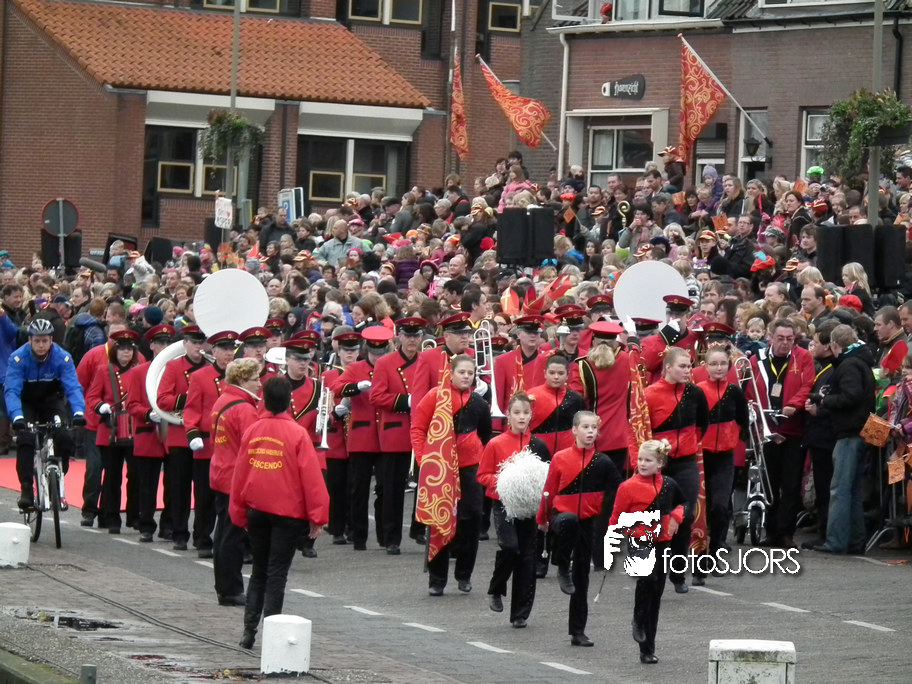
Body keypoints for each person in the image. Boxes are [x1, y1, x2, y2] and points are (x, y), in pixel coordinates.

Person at [230, 377, 329, 651]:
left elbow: (240, 473)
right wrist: (318, 517)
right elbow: (311, 478)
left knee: (259, 572)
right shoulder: (297, 434)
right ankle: (272, 635)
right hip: (288, 514)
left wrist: (238, 511)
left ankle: (248, 631)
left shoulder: (253, 430)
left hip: (257, 511)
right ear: (288, 402)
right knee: (277, 575)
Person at [536, 411, 621, 648]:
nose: (590, 431)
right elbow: (549, 491)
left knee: (582, 578)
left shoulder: (603, 462)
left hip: (587, 522)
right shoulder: (561, 458)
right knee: (569, 520)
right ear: (574, 430)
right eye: (585, 427)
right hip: (561, 517)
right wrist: (542, 519)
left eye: (594, 427)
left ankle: (578, 631)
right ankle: (562, 564)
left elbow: (620, 491)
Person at [411, 354, 492, 595]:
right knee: (439, 520)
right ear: (451, 373)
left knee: (472, 518)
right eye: (461, 372)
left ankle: (464, 575)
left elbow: (485, 434)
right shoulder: (434, 396)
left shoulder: (479, 403)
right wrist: (424, 460)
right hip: (440, 466)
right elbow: (418, 428)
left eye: (470, 373)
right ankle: (437, 579)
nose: (466, 376)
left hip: (471, 467)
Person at [476, 392, 550, 628]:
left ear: (531, 416)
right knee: (510, 548)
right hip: (504, 503)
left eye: (526, 413)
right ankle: (496, 588)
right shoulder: (495, 443)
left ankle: (520, 613)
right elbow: (482, 475)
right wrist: (506, 482)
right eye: (516, 413)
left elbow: (546, 479)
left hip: (529, 507)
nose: (521, 417)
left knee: (527, 558)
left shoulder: (538, 445)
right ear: (508, 415)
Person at [609, 439, 685, 665]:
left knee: (656, 593)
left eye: (648, 460)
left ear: (660, 463)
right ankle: (637, 618)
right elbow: (616, 516)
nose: (642, 463)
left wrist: (676, 517)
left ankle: (647, 648)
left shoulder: (670, 484)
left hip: (662, 543)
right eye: (640, 459)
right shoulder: (627, 487)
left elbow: (682, 503)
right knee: (648, 579)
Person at [644, 347, 708, 593]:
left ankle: (678, 572)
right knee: (657, 516)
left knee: (686, 515)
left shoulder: (695, 393)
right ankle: (652, 567)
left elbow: (702, 424)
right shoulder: (650, 394)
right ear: (668, 367)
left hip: (687, 461)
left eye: (689, 366)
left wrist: (689, 445)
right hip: (660, 463)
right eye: (682, 366)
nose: (687, 370)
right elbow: (642, 429)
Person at [746, 319, 814, 549]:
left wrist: (794, 405)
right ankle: (771, 531)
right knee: (769, 483)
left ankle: (786, 533)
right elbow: (750, 390)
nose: (785, 343)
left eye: (789, 339)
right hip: (767, 430)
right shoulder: (757, 360)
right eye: (780, 338)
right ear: (770, 338)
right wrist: (755, 410)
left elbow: (807, 385)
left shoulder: (803, 357)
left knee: (791, 483)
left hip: (793, 429)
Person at [6, 318, 86, 509]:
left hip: (51, 401)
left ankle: (58, 477)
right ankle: (26, 488)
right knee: (26, 440)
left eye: (45, 341)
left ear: (51, 340)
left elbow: (73, 388)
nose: (41, 345)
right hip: (26, 402)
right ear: (30, 340)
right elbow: (12, 391)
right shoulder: (18, 358)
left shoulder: (63, 358)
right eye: (37, 341)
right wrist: (17, 416)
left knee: (64, 438)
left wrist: (78, 412)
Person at [811, 325, 875, 554]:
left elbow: (851, 395)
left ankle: (836, 541)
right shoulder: (861, 361)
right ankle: (855, 541)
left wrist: (825, 400)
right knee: (853, 490)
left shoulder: (849, 365)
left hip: (849, 432)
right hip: (859, 431)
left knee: (839, 489)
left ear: (835, 345)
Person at [692, 344, 748, 585]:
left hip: (725, 456)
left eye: (723, 363)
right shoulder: (697, 391)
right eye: (713, 364)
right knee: (699, 510)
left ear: (729, 366)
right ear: (705, 366)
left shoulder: (735, 392)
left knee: (720, 507)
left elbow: (743, 421)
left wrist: (734, 440)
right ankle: (698, 559)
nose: (718, 368)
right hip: (700, 457)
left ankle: (714, 555)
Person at [369, 317, 425, 556]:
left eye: (416, 335)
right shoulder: (385, 363)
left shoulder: (426, 360)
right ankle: (392, 538)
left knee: (425, 484)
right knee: (392, 489)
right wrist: (406, 401)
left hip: (423, 430)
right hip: (396, 431)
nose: (412, 340)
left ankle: (419, 528)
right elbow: (376, 396)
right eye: (408, 335)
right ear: (399, 336)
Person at [331, 327, 390, 550]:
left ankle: (384, 536)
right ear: (367, 351)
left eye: (380, 353)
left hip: (385, 436)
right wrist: (354, 387)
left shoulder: (390, 366)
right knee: (359, 489)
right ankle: (358, 536)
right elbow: (335, 387)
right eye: (373, 353)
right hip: (362, 435)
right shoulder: (356, 368)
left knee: (384, 488)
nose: (377, 357)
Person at [210, 358, 262, 607]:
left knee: (223, 534)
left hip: (221, 472)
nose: (259, 384)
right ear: (242, 380)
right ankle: (231, 589)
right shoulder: (244, 409)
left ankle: (224, 587)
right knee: (233, 536)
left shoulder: (223, 400)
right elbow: (252, 447)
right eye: (255, 379)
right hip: (235, 477)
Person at [183, 330, 239, 558]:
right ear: (213, 351)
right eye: (224, 349)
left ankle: (228, 541)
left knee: (229, 497)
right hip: (207, 446)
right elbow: (191, 408)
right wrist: (193, 432)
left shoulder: (240, 376)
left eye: (231, 349)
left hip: (232, 447)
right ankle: (202, 538)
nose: (228, 353)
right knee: (205, 497)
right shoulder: (200, 376)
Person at [157, 324, 209, 551]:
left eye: (201, 342)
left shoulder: (210, 367)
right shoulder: (174, 367)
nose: (198, 347)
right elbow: (163, 400)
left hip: (204, 437)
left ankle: (201, 534)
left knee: (204, 491)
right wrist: (190, 397)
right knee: (179, 488)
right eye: (194, 342)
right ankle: (179, 533)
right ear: (185, 343)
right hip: (180, 436)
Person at [85, 329, 141, 533]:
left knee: (136, 474)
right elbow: (92, 397)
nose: (126, 352)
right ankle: (110, 517)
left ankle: (134, 516)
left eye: (129, 349)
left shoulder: (139, 370)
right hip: (111, 429)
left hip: (133, 428)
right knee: (112, 476)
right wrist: (101, 406)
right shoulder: (104, 370)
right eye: (122, 349)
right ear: (115, 351)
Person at [125, 324, 174, 543]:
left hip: (172, 434)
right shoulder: (139, 372)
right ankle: (146, 525)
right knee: (147, 485)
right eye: (160, 342)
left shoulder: (176, 369)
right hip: (148, 433)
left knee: (173, 484)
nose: (164, 346)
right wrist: (147, 414)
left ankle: (168, 525)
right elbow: (131, 404)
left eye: (168, 343)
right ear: (152, 345)